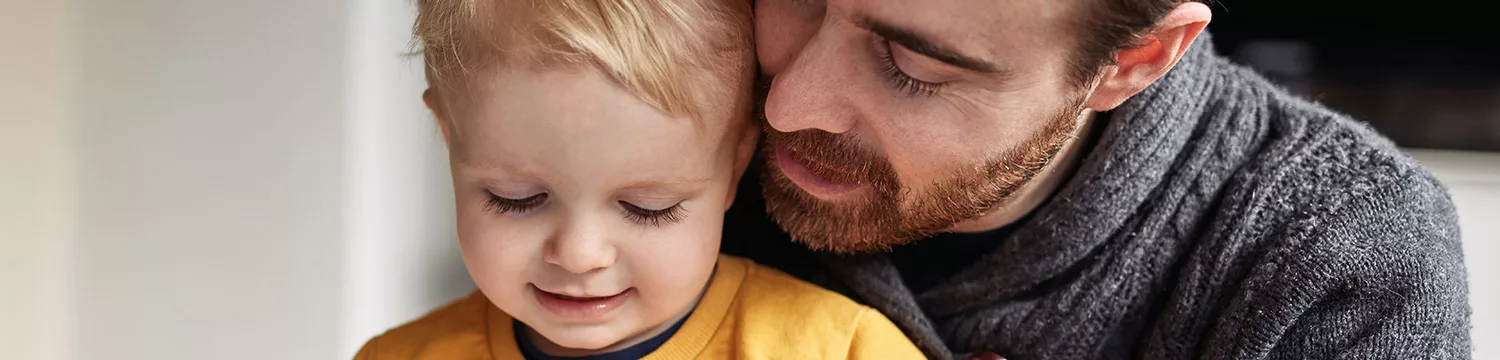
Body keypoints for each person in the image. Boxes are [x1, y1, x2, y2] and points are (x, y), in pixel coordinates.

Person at [721, 0, 1471, 359]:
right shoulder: (645, 79)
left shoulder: (1344, 256)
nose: (786, 107)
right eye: (796, 1)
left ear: (1137, 60)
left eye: (911, 68)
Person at [354, 0, 926, 359]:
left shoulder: (841, 350)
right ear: (449, 140)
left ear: (734, 168)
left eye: (648, 207)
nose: (580, 255)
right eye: (516, 199)